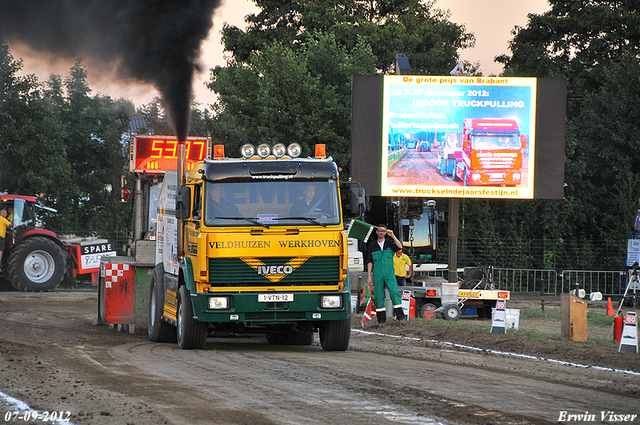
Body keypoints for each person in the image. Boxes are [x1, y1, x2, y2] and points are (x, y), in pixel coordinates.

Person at [367, 224, 406, 326]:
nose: (381, 232)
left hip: (389, 273)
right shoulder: (372, 246)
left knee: (394, 292)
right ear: (377, 232)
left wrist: (392, 235)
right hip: (377, 274)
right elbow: (370, 262)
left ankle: (400, 317)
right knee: (378, 296)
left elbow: (400, 247)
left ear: (385, 233)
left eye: (383, 231)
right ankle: (381, 321)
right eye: (380, 231)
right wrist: (369, 276)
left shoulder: (389, 243)